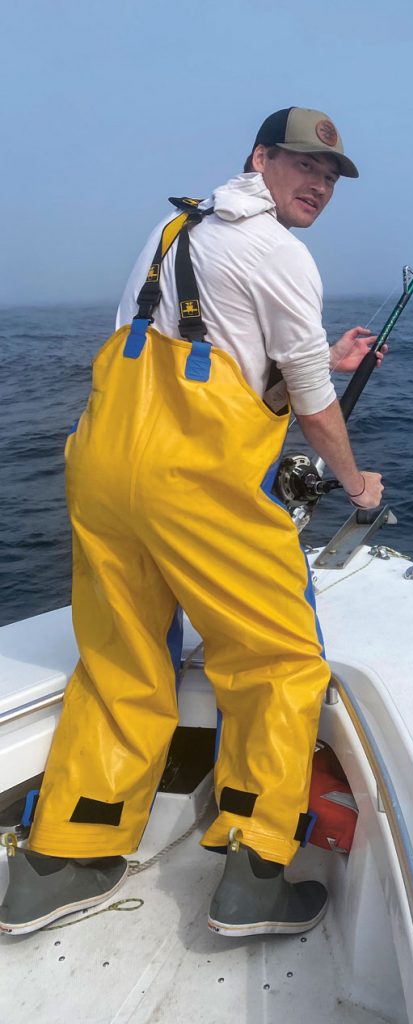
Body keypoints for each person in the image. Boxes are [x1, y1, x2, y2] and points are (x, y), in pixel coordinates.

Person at [0, 107, 382, 937]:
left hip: (103, 469)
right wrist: (355, 483)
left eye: (329, 177)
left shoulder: (174, 228)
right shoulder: (281, 252)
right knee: (276, 661)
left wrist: (326, 355)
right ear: (261, 159)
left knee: (120, 657)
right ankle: (253, 871)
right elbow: (309, 405)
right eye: (303, 166)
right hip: (199, 486)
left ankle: (61, 861)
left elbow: (203, 346)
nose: (317, 184)